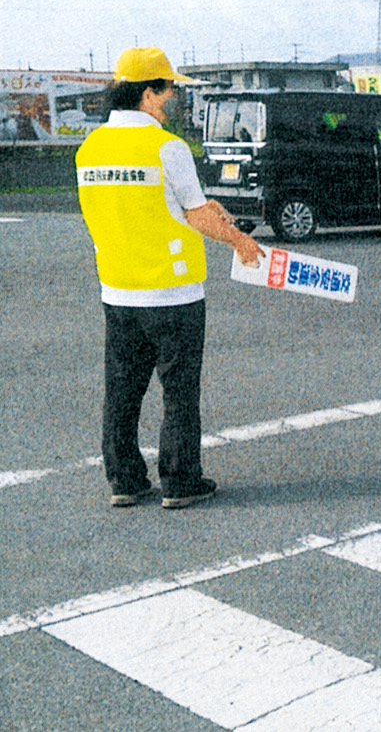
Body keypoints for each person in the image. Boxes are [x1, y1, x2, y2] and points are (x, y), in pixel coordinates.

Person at [76, 48, 265, 509]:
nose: (175, 96)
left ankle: (124, 480)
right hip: (173, 292)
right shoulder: (167, 147)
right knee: (179, 392)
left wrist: (209, 211)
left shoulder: (90, 149)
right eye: (169, 88)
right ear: (148, 93)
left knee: (122, 390)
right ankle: (180, 481)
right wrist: (240, 241)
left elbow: (151, 207)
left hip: (118, 290)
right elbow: (196, 215)